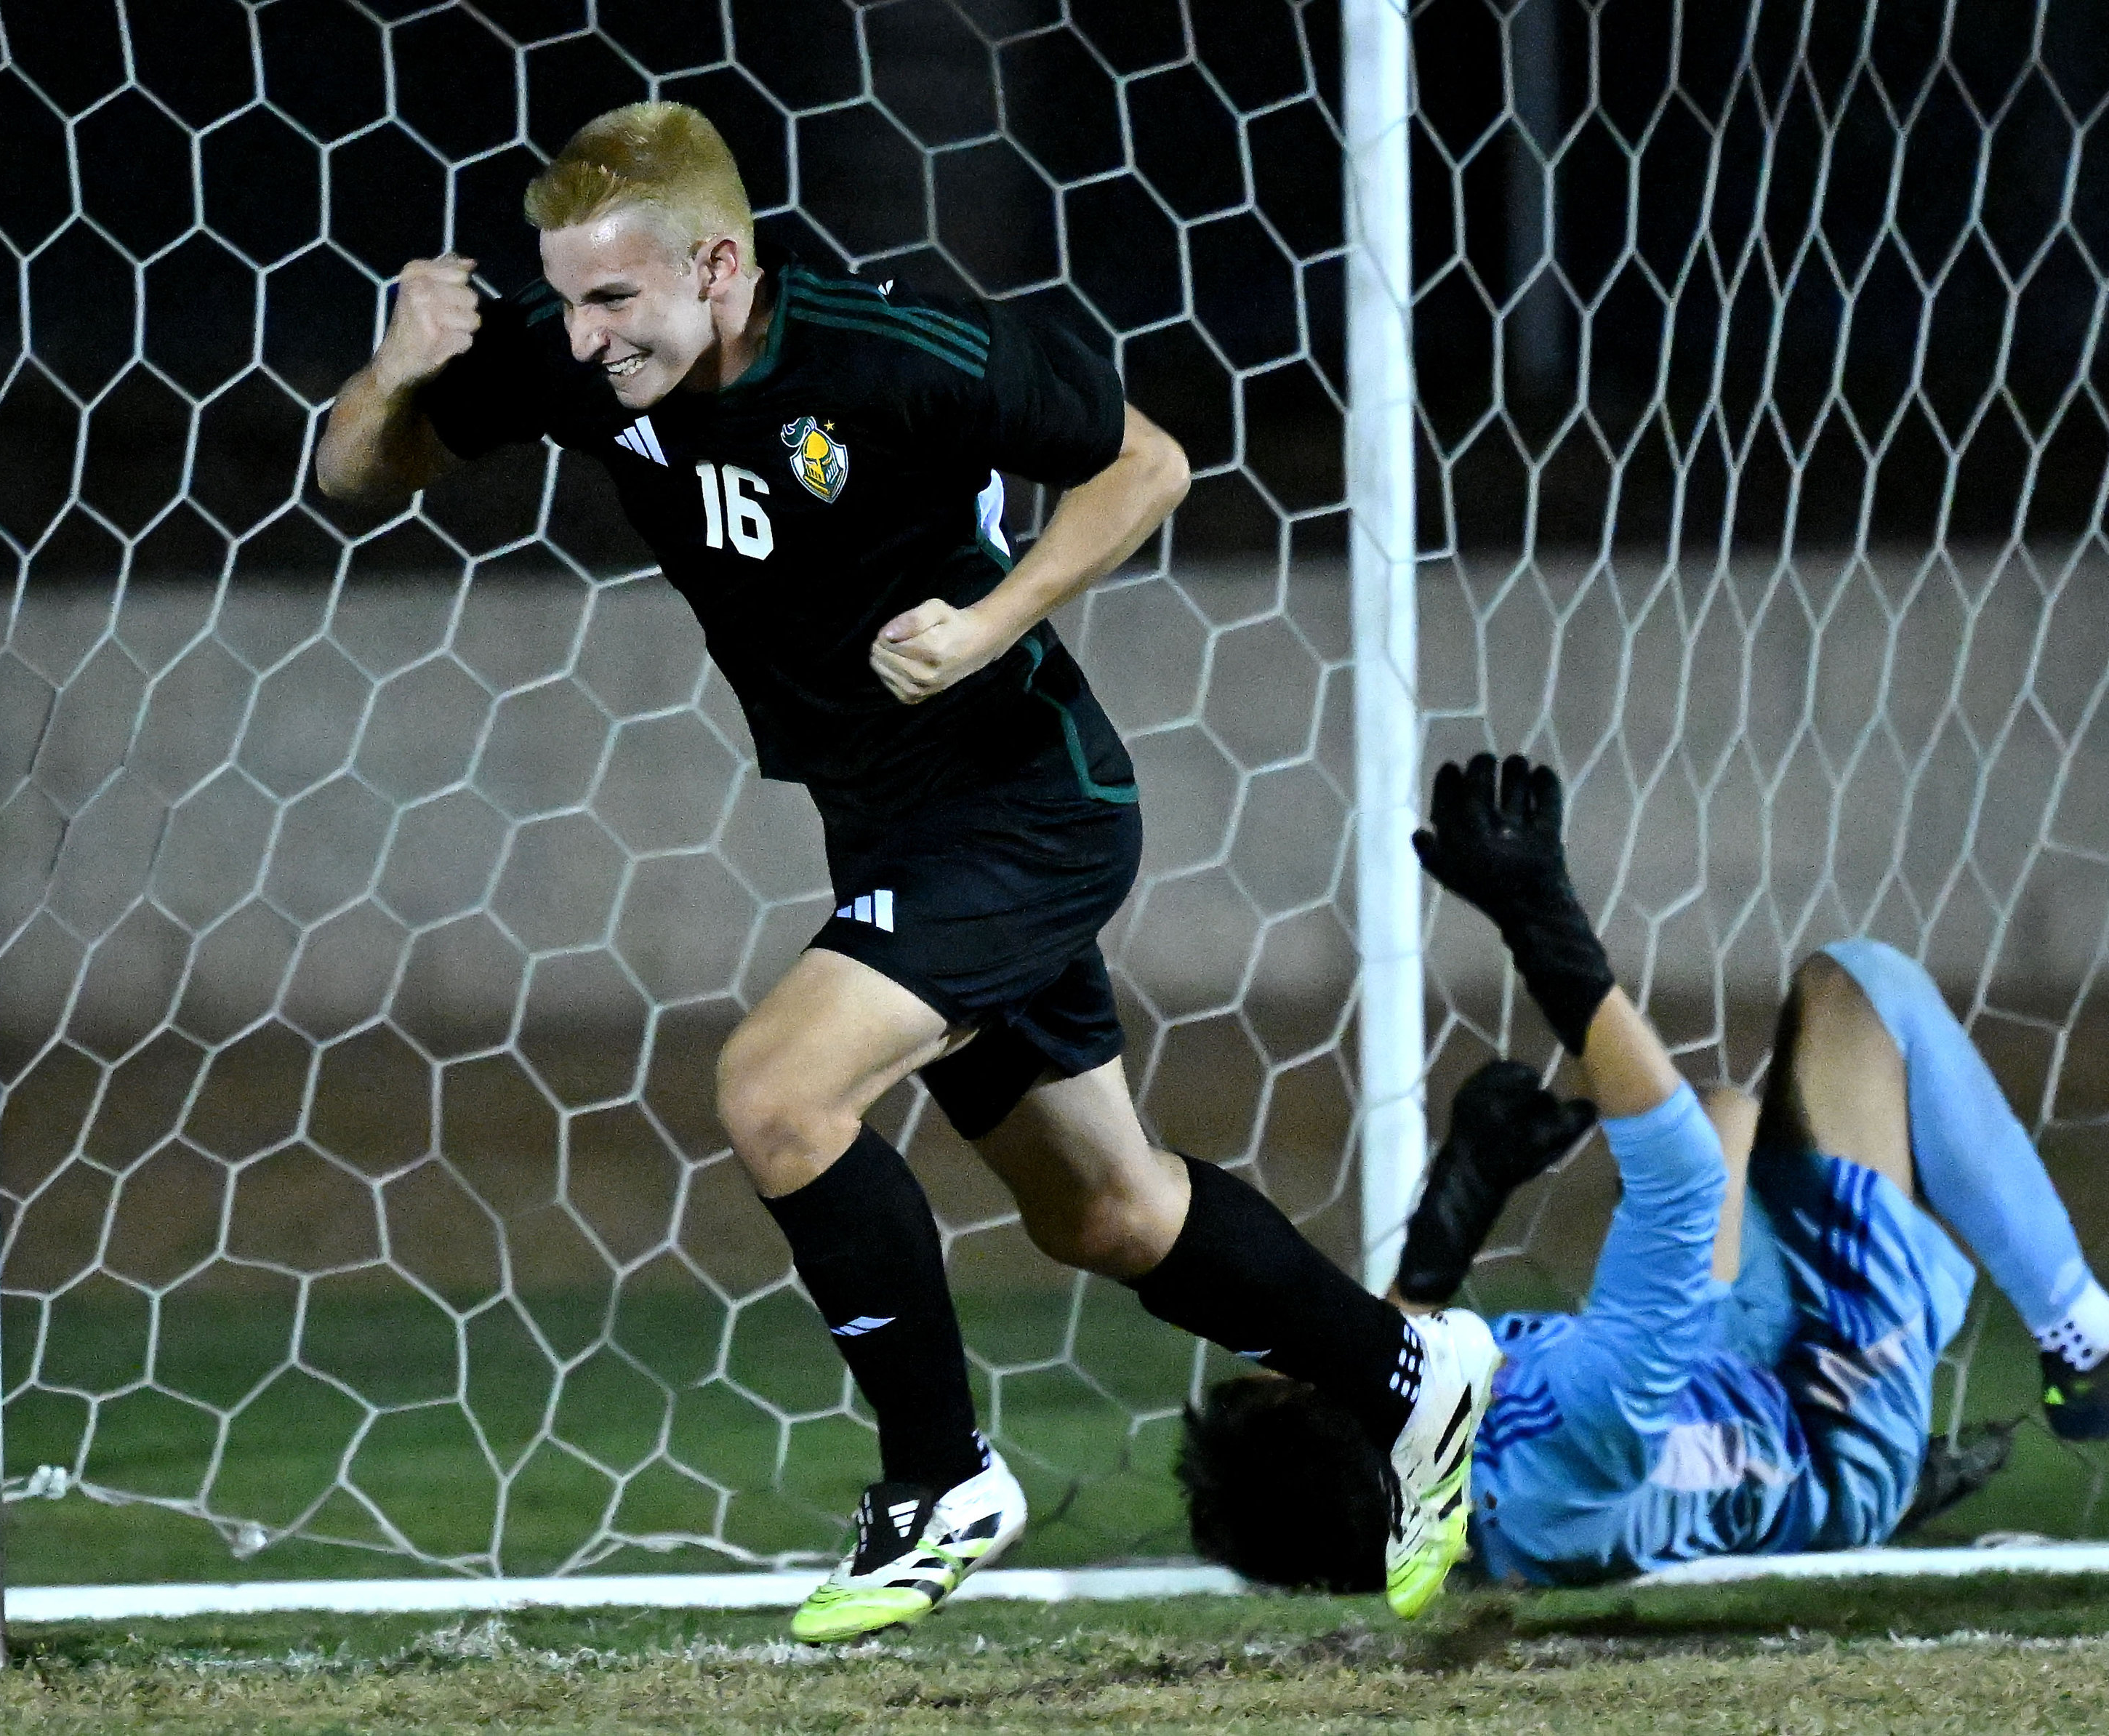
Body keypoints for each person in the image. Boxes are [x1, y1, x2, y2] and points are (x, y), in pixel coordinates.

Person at [314, 101, 1500, 1638]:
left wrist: (986, 622)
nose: (586, 334)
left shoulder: (888, 355)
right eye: (569, 295)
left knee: (776, 1092)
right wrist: (398, 371)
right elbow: (356, 470)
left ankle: (938, 1482)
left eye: (617, 298)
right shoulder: (580, 359)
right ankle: (1411, 1375)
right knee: (1110, 1218)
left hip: (1022, 808)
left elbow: (1145, 465)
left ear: (720, 266)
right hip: (889, 828)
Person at [1176, 753, 2109, 1591]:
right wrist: (1540, 919)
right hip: (1826, 1407)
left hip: (1727, 1389)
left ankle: (1822, 1489)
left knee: (1728, 1111)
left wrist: (1463, 1205)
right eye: (1300, 1380)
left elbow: (1395, 1357)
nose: (1315, 1353)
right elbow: (1684, 1184)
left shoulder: (1442, 1497)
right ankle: (2086, 1338)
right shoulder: (1569, 1437)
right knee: (1857, 995)